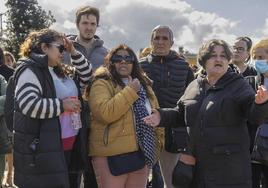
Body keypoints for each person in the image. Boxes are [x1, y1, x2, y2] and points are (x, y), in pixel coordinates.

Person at [144, 39, 268, 188]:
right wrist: (161, 116)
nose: (218, 59)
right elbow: (181, 114)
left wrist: (260, 104)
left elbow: (255, 117)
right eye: (213, 55)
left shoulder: (238, 85)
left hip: (229, 170)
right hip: (197, 166)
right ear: (203, 60)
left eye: (223, 56)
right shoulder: (194, 85)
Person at [84, 44, 164, 188]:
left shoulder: (144, 85)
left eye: (128, 58)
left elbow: (155, 113)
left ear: (134, 62)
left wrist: (157, 145)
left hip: (141, 154)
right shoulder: (101, 82)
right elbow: (105, 113)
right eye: (118, 58)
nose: (123, 61)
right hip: (111, 157)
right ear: (110, 61)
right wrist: (130, 91)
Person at [13, 28, 82, 188]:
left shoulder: (55, 69)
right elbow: (29, 104)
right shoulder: (30, 69)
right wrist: (62, 105)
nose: (63, 53)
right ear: (44, 47)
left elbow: (87, 76)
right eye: (60, 48)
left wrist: (73, 51)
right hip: (43, 149)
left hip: (61, 145)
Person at [139, 25, 194, 188]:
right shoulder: (139, 66)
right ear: (151, 41)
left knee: (171, 182)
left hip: (173, 133)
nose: (160, 42)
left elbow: (192, 98)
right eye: (157, 38)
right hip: (144, 130)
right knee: (138, 181)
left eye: (165, 38)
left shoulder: (184, 67)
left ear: (172, 42)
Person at [65, 6, 108, 187]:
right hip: (69, 116)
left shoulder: (105, 53)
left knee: (94, 169)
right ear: (77, 24)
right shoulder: (64, 50)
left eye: (93, 24)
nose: (89, 27)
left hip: (96, 118)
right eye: (85, 23)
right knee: (71, 168)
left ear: (97, 26)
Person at [251, 38, 268, 188]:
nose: (257, 61)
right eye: (254, 57)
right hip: (255, 147)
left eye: (261, 57)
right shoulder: (252, 82)